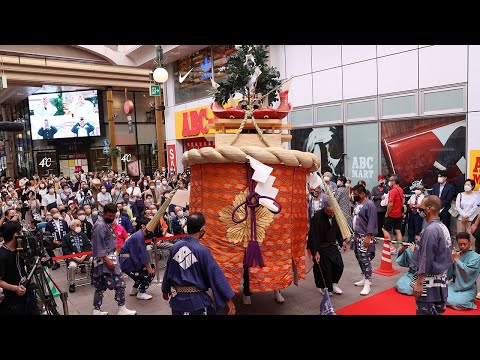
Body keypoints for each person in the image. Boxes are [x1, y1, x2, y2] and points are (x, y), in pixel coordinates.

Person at [161, 212, 236, 315]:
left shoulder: (175, 247)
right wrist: (228, 299)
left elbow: (168, 270)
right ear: (202, 229)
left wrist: (165, 289)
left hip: (177, 301)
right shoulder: (202, 251)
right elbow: (216, 275)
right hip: (197, 302)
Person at [91, 203, 136, 315]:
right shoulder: (100, 226)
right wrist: (107, 259)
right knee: (120, 284)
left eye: (113, 216)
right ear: (103, 213)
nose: (111, 218)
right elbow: (98, 245)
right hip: (105, 258)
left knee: (100, 286)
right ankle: (121, 308)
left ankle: (96, 310)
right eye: (109, 216)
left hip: (109, 256)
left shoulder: (105, 223)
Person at [412, 195, 453, 315]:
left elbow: (426, 257)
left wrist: (419, 283)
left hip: (429, 284)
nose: (420, 209)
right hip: (441, 282)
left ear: (429, 208)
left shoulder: (431, 230)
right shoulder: (442, 227)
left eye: (422, 207)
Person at [0, 221, 40, 315]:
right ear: (15, 235)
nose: (22, 235)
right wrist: (15, 288)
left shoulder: (20, 249)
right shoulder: (2, 255)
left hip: (27, 292)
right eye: (20, 232)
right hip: (13, 298)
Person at [307, 205, 346, 295]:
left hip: (332, 245)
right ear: (325, 208)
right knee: (325, 269)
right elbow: (314, 236)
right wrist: (316, 251)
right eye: (330, 212)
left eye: (333, 212)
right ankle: (323, 287)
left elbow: (337, 230)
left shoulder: (334, 215)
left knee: (339, 265)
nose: (332, 214)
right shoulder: (317, 217)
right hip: (321, 247)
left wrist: (342, 241)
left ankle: (334, 284)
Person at [119, 217, 155, 300]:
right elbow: (142, 254)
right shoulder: (138, 236)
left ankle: (134, 289)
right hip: (127, 262)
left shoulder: (138, 235)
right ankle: (141, 292)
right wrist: (149, 268)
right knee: (150, 272)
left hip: (126, 261)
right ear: (143, 226)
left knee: (143, 271)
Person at [350, 184, 377, 296]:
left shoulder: (370, 205)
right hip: (356, 235)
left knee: (365, 259)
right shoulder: (357, 204)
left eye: (356, 194)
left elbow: (372, 221)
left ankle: (367, 282)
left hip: (365, 236)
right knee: (359, 257)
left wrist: (368, 236)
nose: (354, 196)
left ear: (362, 194)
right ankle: (363, 277)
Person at [446, 232, 480, 310]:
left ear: (470, 242)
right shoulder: (456, 254)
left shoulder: (476, 257)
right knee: (438, 294)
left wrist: (457, 260)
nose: (462, 246)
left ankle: (468, 301)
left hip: (468, 288)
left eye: (465, 244)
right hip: (454, 285)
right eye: (460, 244)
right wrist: (450, 260)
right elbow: (449, 274)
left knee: (456, 302)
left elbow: (468, 272)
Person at [61, 220, 92, 293]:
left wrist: (84, 255)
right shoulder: (66, 237)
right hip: (72, 257)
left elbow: (88, 246)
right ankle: (72, 283)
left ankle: (94, 277)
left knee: (93, 260)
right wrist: (75, 257)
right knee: (72, 266)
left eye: (80, 225)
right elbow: (65, 250)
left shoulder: (83, 235)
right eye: (77, 225)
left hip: (84, 255)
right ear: (72, 227)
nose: (79, 227)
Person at [384, 174, 405, 254]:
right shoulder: (400, 189)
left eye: (390, 180)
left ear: (393, 181)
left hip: (392, 214)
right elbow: (403, 201)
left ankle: (391, 247)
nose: (389, 182)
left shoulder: (393, 191)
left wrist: (387, 213)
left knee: (385, 230)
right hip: (399, 214)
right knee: (398, 230)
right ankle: (400, 248)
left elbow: (390, 204)